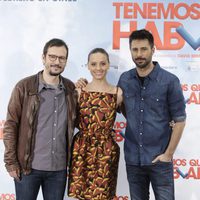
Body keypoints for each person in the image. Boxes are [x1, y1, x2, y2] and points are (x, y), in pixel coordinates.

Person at [3, 38, 78, 200]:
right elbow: (10, 126)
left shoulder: (71, 90)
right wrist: (11, 162)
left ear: (65, 61)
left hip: (58, 170)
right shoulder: (24, 87)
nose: (57, 62)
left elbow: (81, 121)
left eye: (61, 58)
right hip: (28, 168)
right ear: (43, 58)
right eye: (52, 57)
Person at [118, 29, 186, 200]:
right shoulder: (124, 80)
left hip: (160, 160)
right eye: (135, 50)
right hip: (133, 160)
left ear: (153, 49)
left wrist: (168, 155)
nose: (139, 54)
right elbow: (126, 111)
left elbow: (179, 121)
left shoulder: (170, 81)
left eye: (143, 49)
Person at [68, 48, 123, 200]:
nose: (98, 68)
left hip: (106, 150)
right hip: (82, 148)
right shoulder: (79, 91)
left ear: (108, 65)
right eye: (94, 64)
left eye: (102, 64)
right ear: (88, 66)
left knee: (103, 194)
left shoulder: (117, 93)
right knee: (81, 195)